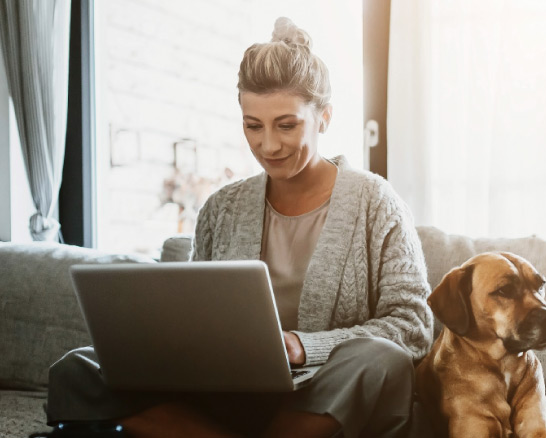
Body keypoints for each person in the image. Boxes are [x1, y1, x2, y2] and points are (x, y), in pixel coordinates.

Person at [46, 17, 433, 438]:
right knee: (75, 369)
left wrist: (305, 346)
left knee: (381, 360)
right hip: (227, 394)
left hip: (322, 392)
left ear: (324, 117)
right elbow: (195, 317)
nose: (268, 145)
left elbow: (412, 326)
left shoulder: (376, 202)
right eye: (253, 126)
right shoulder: (221, 208)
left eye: (287, 125)